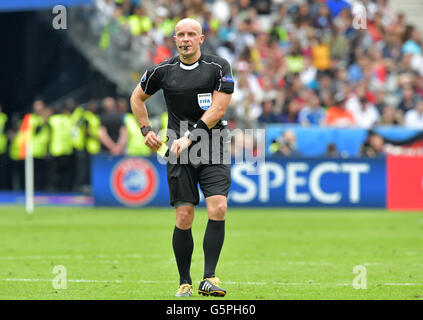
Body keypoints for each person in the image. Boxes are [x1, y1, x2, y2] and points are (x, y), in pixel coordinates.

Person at [130, 18, 234, 297]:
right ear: (174, 40)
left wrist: (192, 136)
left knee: (218, 208)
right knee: (184, 216)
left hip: (212, 145)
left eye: (191, 34)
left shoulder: (218, 67)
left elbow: (219, 109)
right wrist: (145, 130)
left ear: (202, 39)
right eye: (181, 35)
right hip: (178, 150)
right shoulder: (162, 71)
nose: (186, 39)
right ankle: (184, 282)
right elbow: (136, 98)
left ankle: (209, 278)